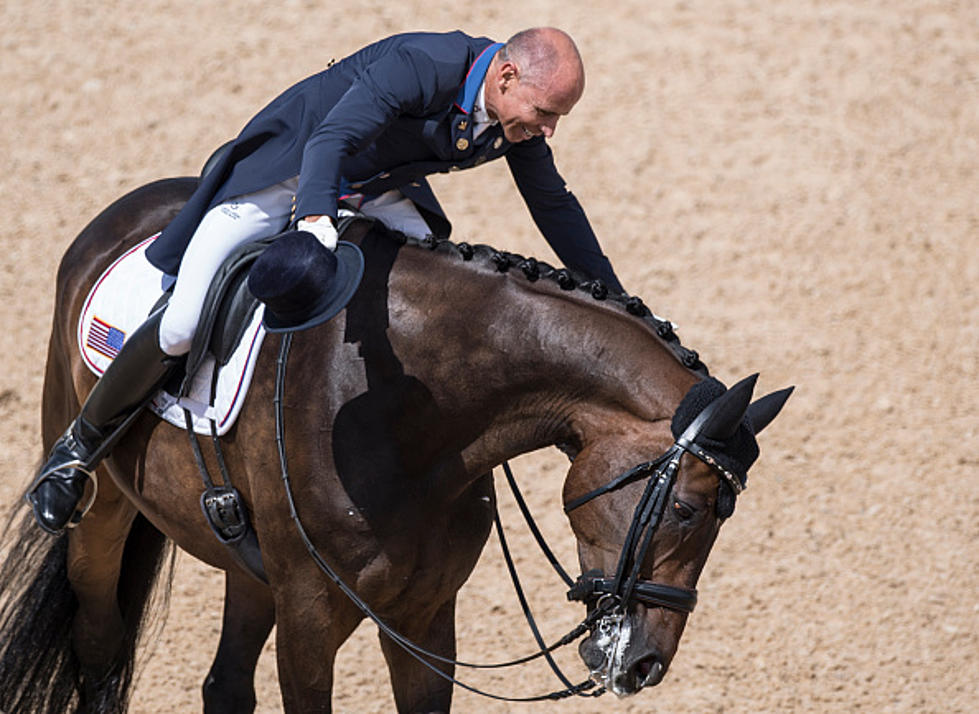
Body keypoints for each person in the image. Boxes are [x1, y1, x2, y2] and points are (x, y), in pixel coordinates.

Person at [27, 27, 624, 534]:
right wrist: (315, 220)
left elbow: (554, 204)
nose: (548, 130)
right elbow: (329, 142)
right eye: (546, 114)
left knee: (438, 280)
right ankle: (76, 451)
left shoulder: (510, 114)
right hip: (290, 171)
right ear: (508, 75)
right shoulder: (418, 66)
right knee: (183, 322)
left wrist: (613, 296)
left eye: (557, 118)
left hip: (371, 183)